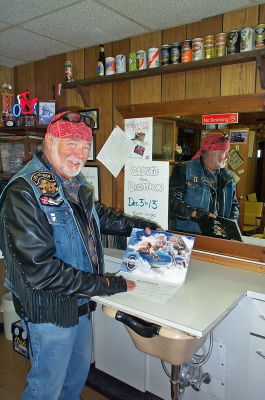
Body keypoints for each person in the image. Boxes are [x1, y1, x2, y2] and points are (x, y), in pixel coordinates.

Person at [0, 111, 159, 400]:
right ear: (49, 141)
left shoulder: (71, 183)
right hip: (48, 312)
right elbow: (43, 272)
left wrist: (138, 226)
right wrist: (109, 285)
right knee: (45, 389)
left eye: (85, 147)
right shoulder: (24, 192)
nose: (80, 154)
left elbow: (95, 214)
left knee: (75, 380)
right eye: (71, 143)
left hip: (81, 304)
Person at [168, 132, 239, 235]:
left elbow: (234, 206)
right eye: (225, 151)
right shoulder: (184, 170)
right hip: (189, 235)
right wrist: (195, 213)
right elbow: (172, 200)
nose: (228, 156)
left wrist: (231, 226)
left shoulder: (227, 176)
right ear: (211, 152)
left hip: (219, 237)